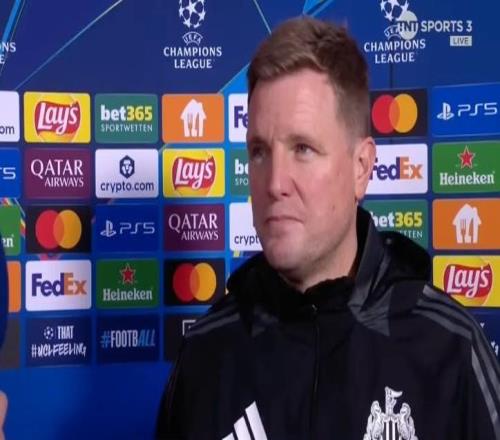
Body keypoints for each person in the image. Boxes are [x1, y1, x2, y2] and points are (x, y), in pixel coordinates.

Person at [156, 16, 500, 439]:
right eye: (260, 151)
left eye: (302, 148)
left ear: (361, 168)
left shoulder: (451, 350)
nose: (275, 183)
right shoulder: (206, 356)